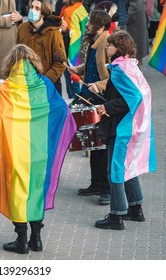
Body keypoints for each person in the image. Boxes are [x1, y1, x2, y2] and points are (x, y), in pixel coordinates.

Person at [0, 44, 77, 253]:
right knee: (36, 192)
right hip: (40, 151)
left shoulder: (6, 88)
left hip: (15, 151)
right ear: (33, 62)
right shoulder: (44, 85)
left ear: (11, 63)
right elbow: (61, 109)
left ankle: (21, 241)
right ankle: (37, 239)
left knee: (18, 192)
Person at [95, 30, 156, 229]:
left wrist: (108, 107)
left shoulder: (120, 69)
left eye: (110, 45)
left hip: (121, 126)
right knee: (127, 166)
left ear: (119, 47)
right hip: (131, 125)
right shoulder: (129, 65)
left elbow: (134, 97)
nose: (107, 47)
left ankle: (116, 216)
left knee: (115, 168)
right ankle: (136, 209)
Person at [68, 10, 111, 205]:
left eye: (90, 23)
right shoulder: (94, 41)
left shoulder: (107, 44)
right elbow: (91, 65)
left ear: (100, 26)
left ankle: (106, 189)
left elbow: (112, 76)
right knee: (92, 142)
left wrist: (99, 86)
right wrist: (78, 70)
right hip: (89, 97)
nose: (87, 25)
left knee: (101, 145)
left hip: (101, 99)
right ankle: (95, 183)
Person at [18, 0, 66, 95]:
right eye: (31, 7)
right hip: (27, 84)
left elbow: (60, 63)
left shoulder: (53, 33)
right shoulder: (22, 28)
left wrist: (45, 81)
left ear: (43, 13)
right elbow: (17, 55)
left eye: (37, 8)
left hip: (48, 85)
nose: (32, 10)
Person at [60, 0, 88, 99]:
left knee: (73, 86)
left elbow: (82, 33)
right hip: (68, 50)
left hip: (72, 52)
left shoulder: (74, 10)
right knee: (70, 86)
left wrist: (66, 30)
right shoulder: (67, 8)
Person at [126, 0, 149, 67]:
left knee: (134, 59)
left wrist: (124, 19)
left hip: (134, 26)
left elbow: (135, 6)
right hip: (135, 25)